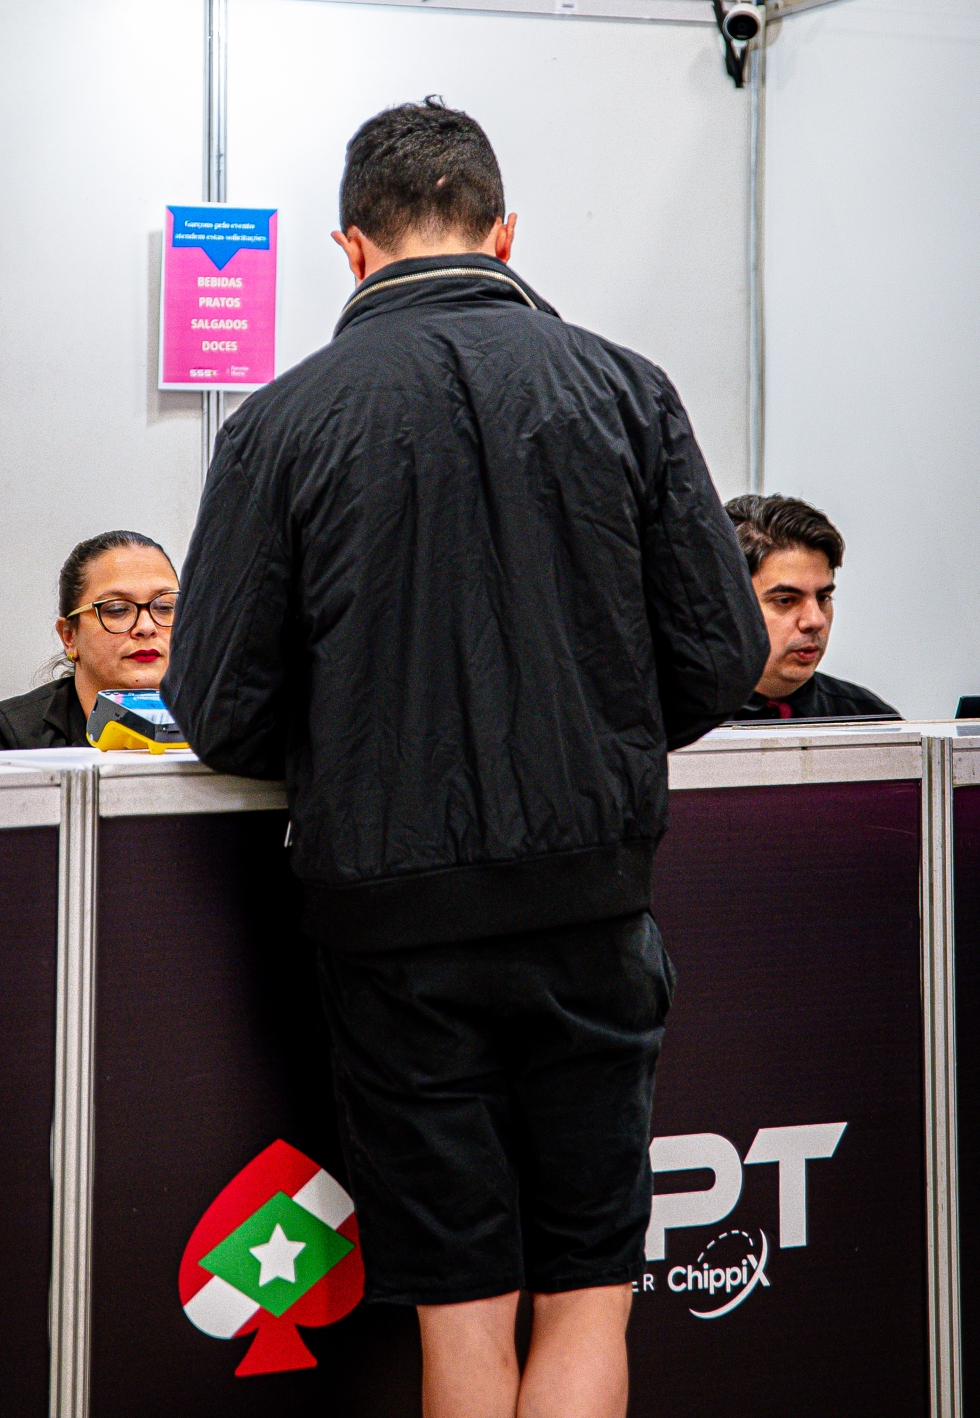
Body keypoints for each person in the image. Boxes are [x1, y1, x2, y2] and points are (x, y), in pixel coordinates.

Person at [163, 99, 768, 1418]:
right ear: (504, 234)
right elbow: (723, 654)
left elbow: (217, 704)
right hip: (592, 905)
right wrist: (595, 736)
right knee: (590, 1292)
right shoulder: (627, 390)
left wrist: (350, 743)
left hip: (390, 928)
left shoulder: (278, 422)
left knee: (463, 1315)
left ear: (349, 247)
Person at [0, 529, 179, 751]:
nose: (146, 627)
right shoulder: (8, 734)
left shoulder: (204, 724)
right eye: (117, 609)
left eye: (165, 607)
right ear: (69, 637)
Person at [724, 494, 899, 721]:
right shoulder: (680, 723)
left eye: (823, 598)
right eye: (785, 600)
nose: (815, 620)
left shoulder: (866, 718)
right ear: (726, 605)